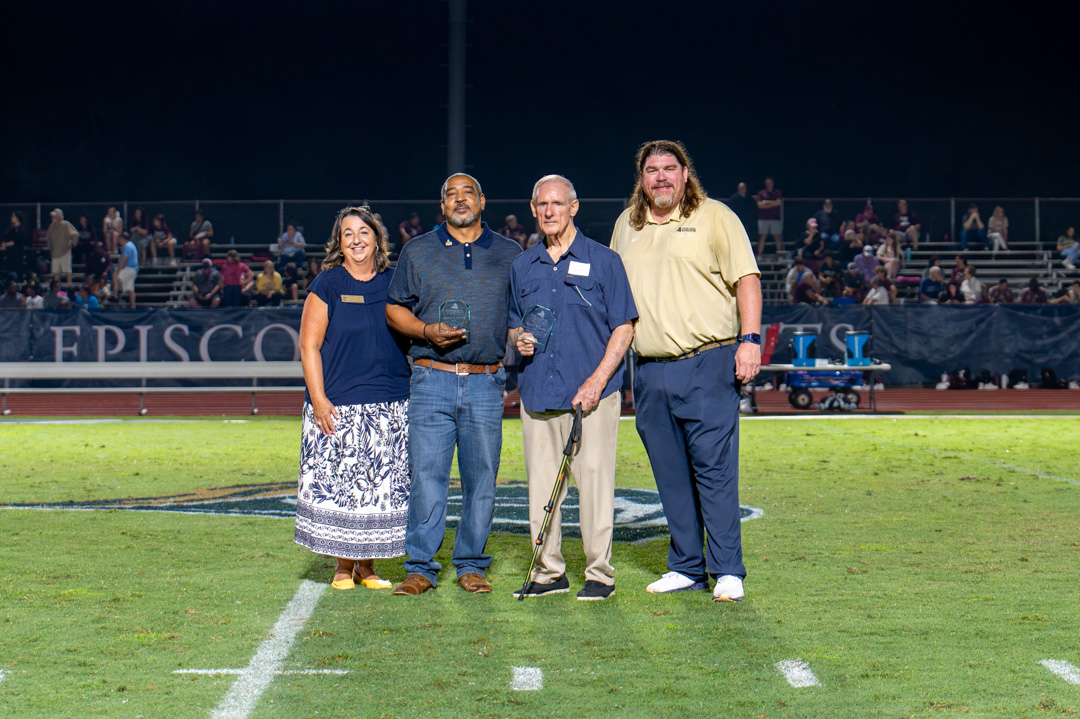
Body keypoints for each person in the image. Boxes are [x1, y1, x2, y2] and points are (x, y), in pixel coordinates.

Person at [611, 140, 761, 602]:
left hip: (708, 362)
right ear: (642, 178)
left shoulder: (716, 216)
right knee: (670, 474)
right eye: (651, 170)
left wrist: (750, 340)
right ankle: (686, 567)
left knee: (714, 470)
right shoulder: (627, 224)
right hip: (651, 370)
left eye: (669, 169)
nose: (660, 177)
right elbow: (612, 294)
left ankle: (727, 569)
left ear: (684, 174)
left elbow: (747, 280)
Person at [386, 173, 521, 596]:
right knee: (427, 476)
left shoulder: (510, 252)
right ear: (441, 205)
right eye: (451, 194)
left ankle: (470, 563)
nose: (460, 200)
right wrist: (426, 330)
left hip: (485, 380)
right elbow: (394, 309)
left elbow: (519, 314)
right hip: (432, 378)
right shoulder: (418, 250)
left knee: (482, 477)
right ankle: (421, 567)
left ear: (483, 201)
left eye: (468, 193)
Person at [509, 175, 637, 601]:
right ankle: (548, 573)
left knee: (595, 485)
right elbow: (514, 321)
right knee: (542, 490)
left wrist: (598, 380)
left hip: (592, 397)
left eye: (557, 204)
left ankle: (599, 573)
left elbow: (624, 326)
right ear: (533, 209)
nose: (550, 211)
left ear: (573, 207)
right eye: (542, 204)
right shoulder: (523, 265)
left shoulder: (604, 261)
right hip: (539, 394)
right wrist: (518, 337)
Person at [295, 206, 411, 591]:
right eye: (348, 234)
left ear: (377, 238)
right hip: (339, 403)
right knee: (344, 488)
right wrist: (319, 398)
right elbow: (308, 346)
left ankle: (367, 567)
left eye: (364, 231)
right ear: (339, 243)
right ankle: (343, 566)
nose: (357, 239)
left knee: (376, 490)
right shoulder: (326, 284)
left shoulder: (396, 283)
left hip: (390, 403)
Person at [46, 208, 79, 286]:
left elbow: (75, 234)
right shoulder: (51, 226)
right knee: (56, 271)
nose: (54, 217)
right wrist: (50, 247)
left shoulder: (66, 224)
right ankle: (57, 288)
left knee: (67, 270)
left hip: (65, 251)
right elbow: (49, 237)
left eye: (55, 216)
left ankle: (69, 286)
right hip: (55, 252)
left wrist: (71, 244)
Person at [755, 176, 783, 256]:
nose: (769, 184)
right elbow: (760, 205)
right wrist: (772, 204)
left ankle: (780, 255)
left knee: (777, 236)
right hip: (763, 219)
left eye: (770, 182)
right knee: (762, 236)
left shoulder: (777, 192)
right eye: (767, 183)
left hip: (775, 218)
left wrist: (767, 203)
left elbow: (778, 203)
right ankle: (759, 255)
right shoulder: (761, 193)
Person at [2, 211, 31, 283]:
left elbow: (19, 240)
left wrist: (8, 244)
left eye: (13, 216)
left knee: (18, 272)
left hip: (18, 255)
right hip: (10, 255)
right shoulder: (11, 230)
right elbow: (7, 238)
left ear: (17, 218)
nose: (11, 218)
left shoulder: (22, 229)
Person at [114, 234, 139, 308]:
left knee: (115, 276)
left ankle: (115, 295)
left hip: (129, 268)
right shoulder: (132, 245)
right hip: (134, 270)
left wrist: (118, 270)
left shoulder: (127, 246)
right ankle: (133, 306)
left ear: (123, 239)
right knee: (131, 289)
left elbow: (125, 259)